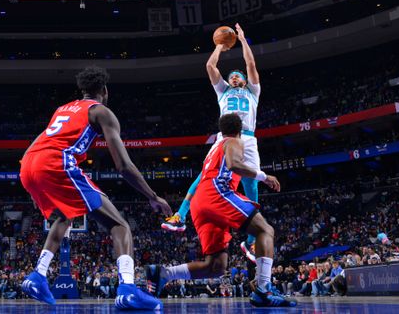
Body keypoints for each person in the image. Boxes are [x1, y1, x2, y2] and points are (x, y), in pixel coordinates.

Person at [19, 66, 172, 309]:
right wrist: (152, 196)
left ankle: (38, 275)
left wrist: (31, 177)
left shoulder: (62, 109)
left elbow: (36, 144)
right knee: (119, 225)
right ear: (104, 90)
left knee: (64, 217)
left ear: (82, 90)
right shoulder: (101, 111)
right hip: (56, 162)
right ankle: (128, 289)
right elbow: (123, 165)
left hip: (28, 164)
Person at [147, 114, 296, 308]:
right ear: (240, 131)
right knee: (265, 230)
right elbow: (234, 164)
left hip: (199, 202)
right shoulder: (233, 141)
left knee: (216, 265)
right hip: (217, 192)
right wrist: (263, 176)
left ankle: (165, 274)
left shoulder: (214, 148)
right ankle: (263, 289)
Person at [163, 24, 263, 263]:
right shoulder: (223, 92)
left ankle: (249, 242)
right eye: (232, 76)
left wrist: (242, 40)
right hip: (225, 137)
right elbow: (210, 66)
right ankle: (180, 216)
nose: (236, 76)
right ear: (228, 82)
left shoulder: (253, 92)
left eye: (238, 75)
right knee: (204, 177)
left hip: (247, 138)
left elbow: (251, 66)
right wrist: (219, 46)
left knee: (252, 184)